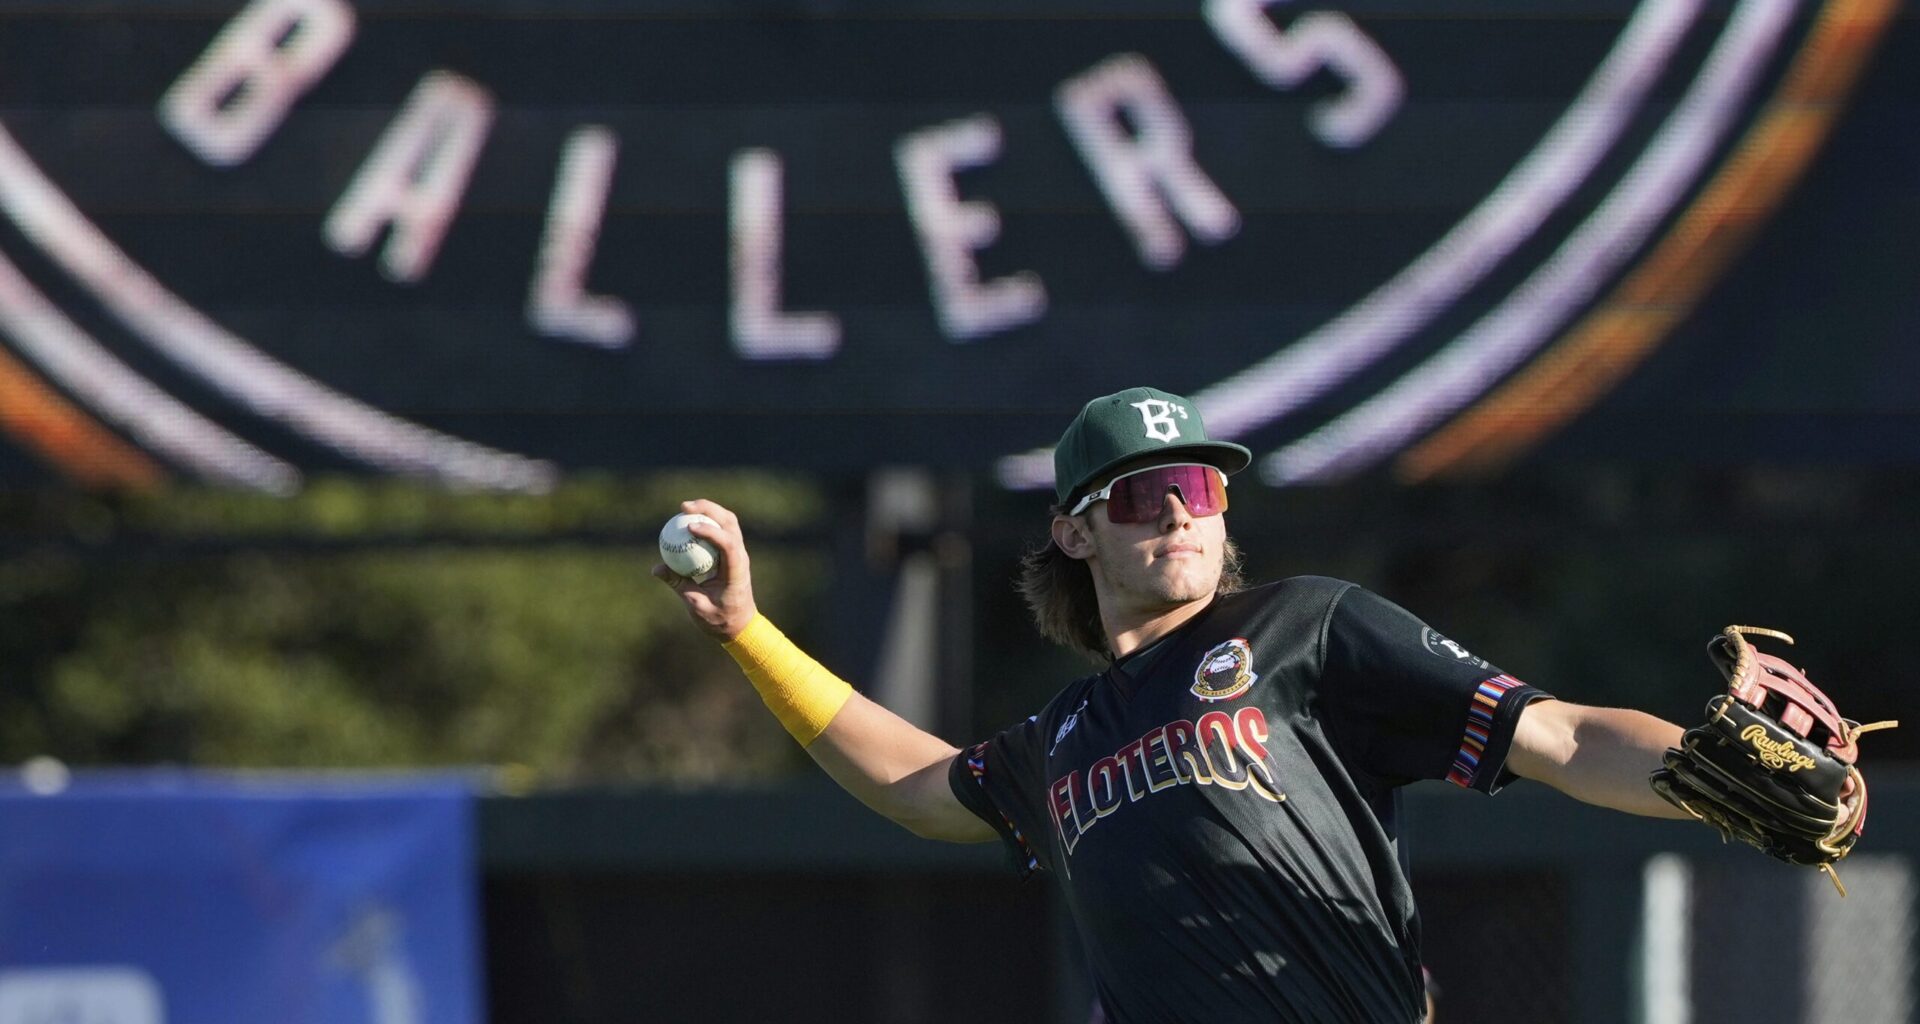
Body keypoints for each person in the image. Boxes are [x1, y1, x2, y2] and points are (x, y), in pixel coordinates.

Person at [654, 386, 1692, 1024]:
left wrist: (1702, 776)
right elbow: (918, 785)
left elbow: (1560, 733)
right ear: (1075, 532)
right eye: (1140, 497)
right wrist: (749, 630)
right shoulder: (1063, 737)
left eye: (1196, 486)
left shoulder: (1309, 626)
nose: (1178, 514)